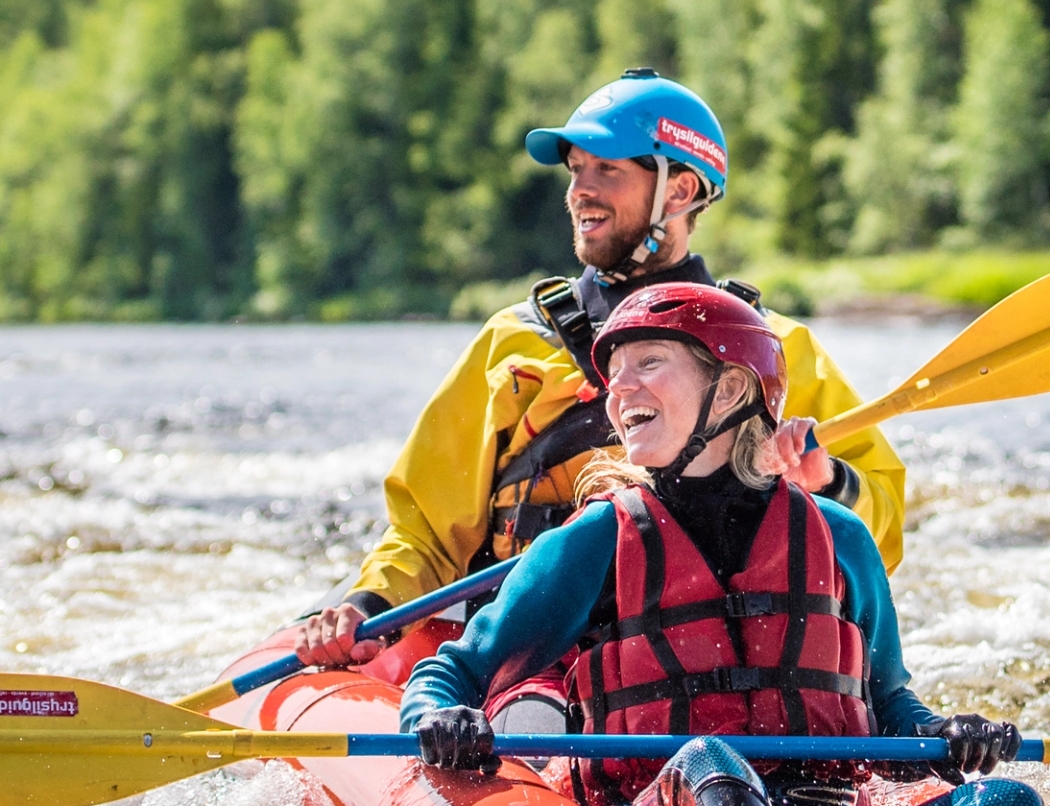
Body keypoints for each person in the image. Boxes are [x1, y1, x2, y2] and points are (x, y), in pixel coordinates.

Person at [392, 282, 1040, 806]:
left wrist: (946, 736)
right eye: (615, 372)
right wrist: (435, 718)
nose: (619, 389)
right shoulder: (595, 540)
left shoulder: (839, 537)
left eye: (649, 363)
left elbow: (892, 706)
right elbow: (456, 672)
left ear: (731, 388)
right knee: (710, 761)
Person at [285, 69, 908, 665]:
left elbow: (878, 533)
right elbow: (426, 531)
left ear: (680, 190)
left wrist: (827, 482)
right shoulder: (516, 346)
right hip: (544, 659)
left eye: (606, 169)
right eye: (576, 169)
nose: (579, 189)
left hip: (724, 655)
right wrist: (367, 605)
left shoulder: (775, 349)